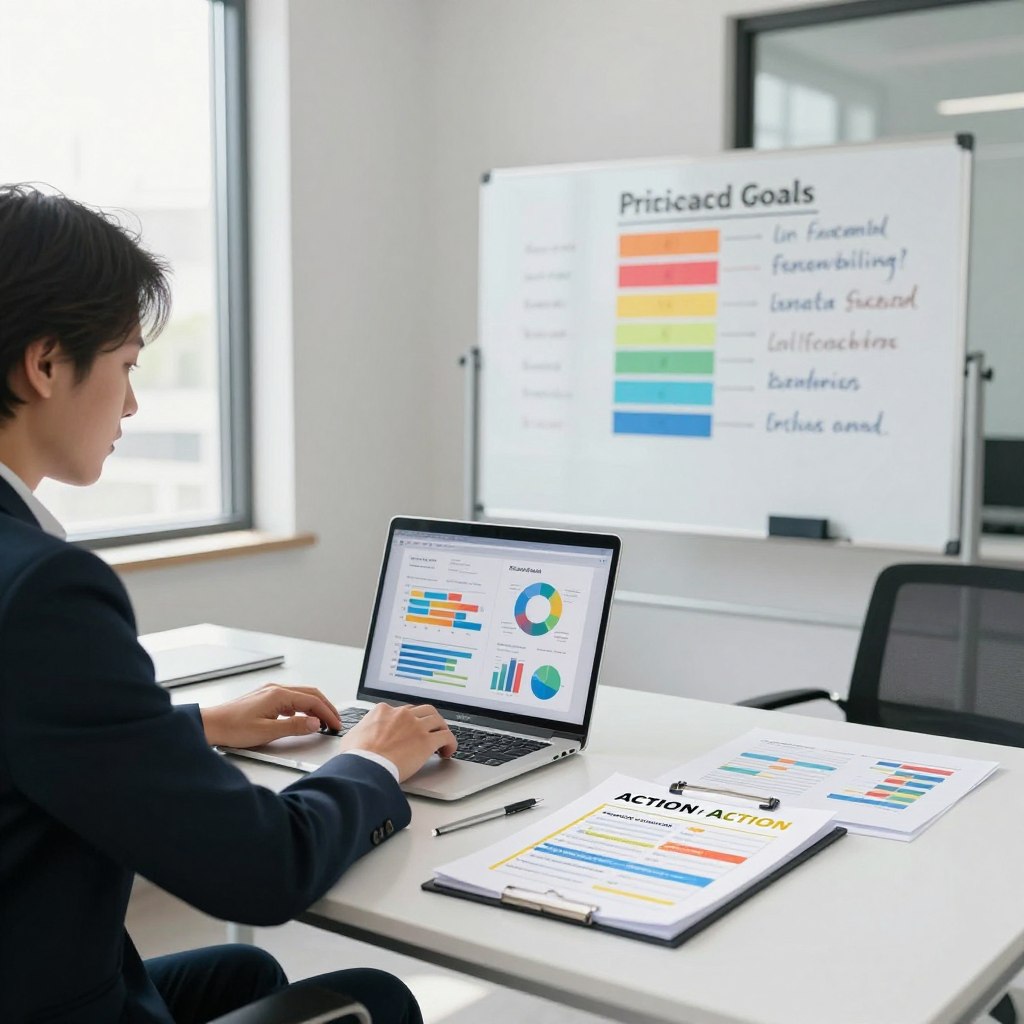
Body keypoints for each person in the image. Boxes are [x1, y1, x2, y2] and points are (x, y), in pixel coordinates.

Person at [0, 184, 458, 1024]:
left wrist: (193, 726)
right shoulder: (42, 592)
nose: (132, 404)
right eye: (127, 365)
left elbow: (24, 734)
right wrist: (372, 759)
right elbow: (259, 870)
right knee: (375, 998)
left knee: (242, 978)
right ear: (45, 363)